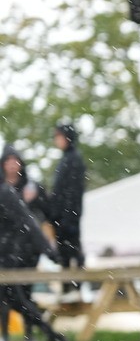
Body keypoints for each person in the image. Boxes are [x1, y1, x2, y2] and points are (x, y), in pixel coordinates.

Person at [0, 168, 68, 341]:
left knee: (17, 301)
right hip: (5, 257)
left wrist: (48, 251)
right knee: (17, 302)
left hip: (8, 259)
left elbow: (27, 222)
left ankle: (52, 336)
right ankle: (53, 336)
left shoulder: (5, 193)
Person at [0, 145, 47, 341]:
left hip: (27, 250)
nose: (12, 165)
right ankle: (5, 337)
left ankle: (30, 335)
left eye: (15, 161)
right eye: (8, 161)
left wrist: (31, 201)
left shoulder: (31, 187)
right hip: (6, 250)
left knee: (25, 293)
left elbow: (40, 217)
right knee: (4, 295)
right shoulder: (2, 189)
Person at [41, 122, 86, 293]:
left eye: (58, 136)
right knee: (65, 253)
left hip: (69, 217)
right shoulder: (66, 159)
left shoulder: (73, 159)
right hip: (62, 217)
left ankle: (75, 288)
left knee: (72, 252)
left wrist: (67, 216)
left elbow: (72, 192)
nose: (56, 140)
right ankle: (69, 288)